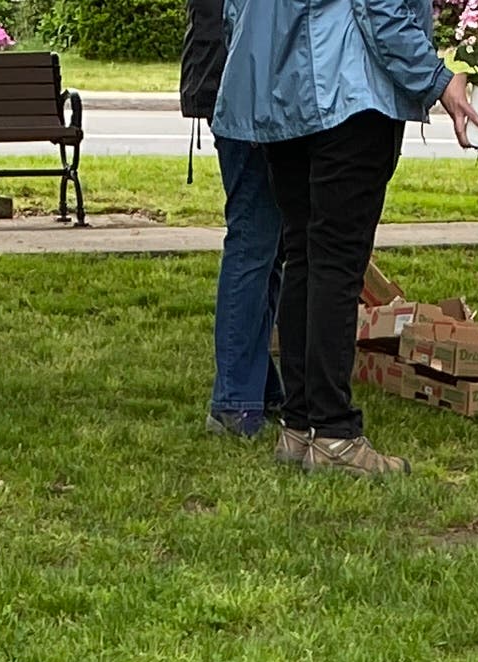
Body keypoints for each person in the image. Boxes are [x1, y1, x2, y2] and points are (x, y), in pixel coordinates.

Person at [215, 0, 478, 472]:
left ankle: (300, 425)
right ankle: (335, 432)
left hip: (283, 94)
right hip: (351, 94)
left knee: (303, 257)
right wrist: (439, 80)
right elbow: (381, 10)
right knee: (335, 266)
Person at [183, 0, 283, 441]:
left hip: (237, 84)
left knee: (270, 244)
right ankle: (235, 399)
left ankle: (256, 384)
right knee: (255, 240)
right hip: (248, 92)